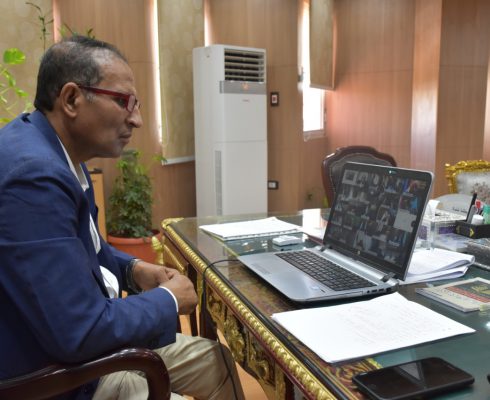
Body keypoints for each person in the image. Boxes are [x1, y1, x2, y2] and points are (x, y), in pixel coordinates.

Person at [0, 35, 245, 400]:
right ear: (71, 99)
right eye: (123, 101)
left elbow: (82, 249)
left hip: (79, 347)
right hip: (62, 376)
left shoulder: (57, 151)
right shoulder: (33, 178)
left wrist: (134, 270)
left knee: (215, 360)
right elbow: (79, 332)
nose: (137, 119)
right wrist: (168, 300)